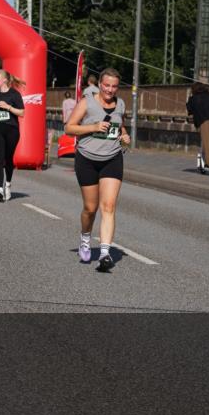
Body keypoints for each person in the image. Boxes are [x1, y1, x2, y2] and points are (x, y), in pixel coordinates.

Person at [64, 68, 129, 272]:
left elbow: (120, 126)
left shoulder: (120, 104)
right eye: (107, 85)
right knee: (90, 209)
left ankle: (104, 254)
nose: (110, 90)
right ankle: (85, 237)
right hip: (87, 159)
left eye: (114, 86)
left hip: (112, 158)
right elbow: (69, 128)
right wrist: (93, 127)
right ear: (100, 84)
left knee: (108, 206)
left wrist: (125, 136)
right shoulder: (87, 102)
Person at [0, 70, 26, 202]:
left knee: (8, 160)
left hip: (11, 130)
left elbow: (21, 113)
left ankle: (8, 184)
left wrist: (8, 107)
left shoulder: (14, 94)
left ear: (4, 80)